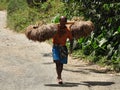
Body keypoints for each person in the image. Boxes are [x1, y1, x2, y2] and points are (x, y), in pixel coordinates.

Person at [52, 16, 74, 84]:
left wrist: (71, 48)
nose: (62, 23)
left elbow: (71, 39)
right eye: (61, 21)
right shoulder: (55, 28)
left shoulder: (67, 30)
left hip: (63, 47)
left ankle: (59, 76)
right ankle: (59, 77)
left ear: (65, 22)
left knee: (61, 63)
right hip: (55, 47)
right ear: (59, 21)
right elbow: (46, 31)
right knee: (57, 61)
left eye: (64, 21)